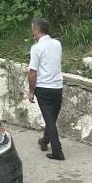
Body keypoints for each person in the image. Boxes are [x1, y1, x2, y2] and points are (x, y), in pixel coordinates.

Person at [27, 17, 65, 161]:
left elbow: (32, 72)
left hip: (43, 88)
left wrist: (31, 91)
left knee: (50, 120)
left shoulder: (36, 48)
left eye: (33, 30)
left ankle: (57, 152)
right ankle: (44, 141)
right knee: (51, 118)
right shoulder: (57, 44)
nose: (33, 34)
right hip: (57, 87)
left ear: (37, 30)